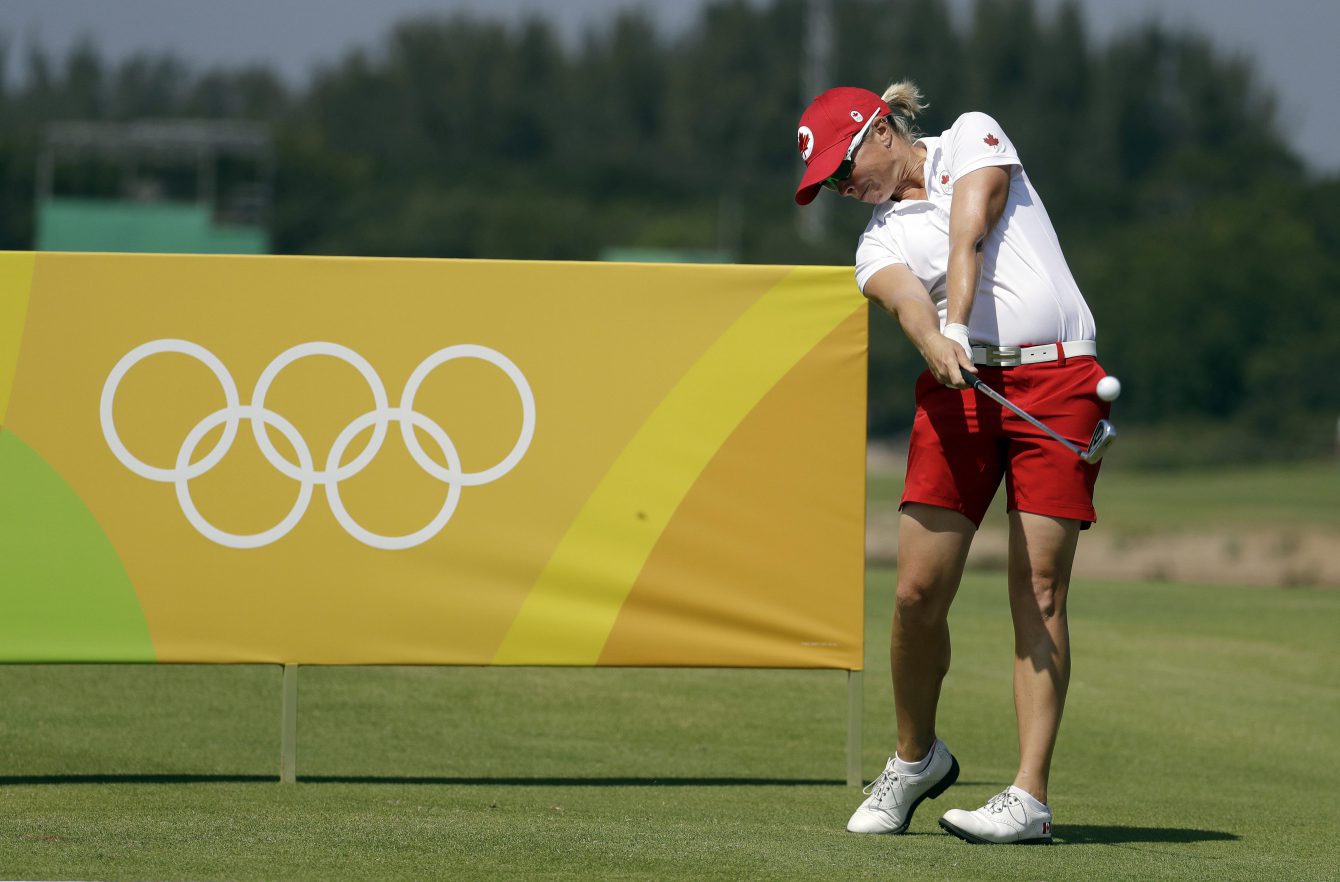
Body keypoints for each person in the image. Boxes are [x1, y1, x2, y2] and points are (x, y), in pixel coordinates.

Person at [793, 83, 1112, 845]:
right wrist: (935, 340)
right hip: (959, 385)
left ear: (880, 130)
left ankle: (1028, 796)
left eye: (844, 168)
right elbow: (905, 299)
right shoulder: (876, 240)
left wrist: (957, 326)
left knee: (1038, 589)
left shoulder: (974, 133)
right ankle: (916, 759)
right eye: (830, 185)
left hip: (1058, 380)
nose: (845, 188)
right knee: (913, 593)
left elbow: (973, 227)